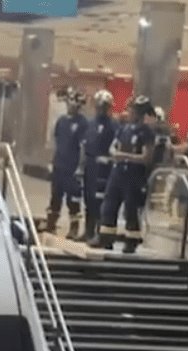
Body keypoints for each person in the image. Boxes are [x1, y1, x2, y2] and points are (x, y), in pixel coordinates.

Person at [95, 95, 157, 254]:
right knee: (109, 205)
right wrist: (115, 154)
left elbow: (146, 158)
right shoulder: (123, 128)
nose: (129, 112)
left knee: (130, 209)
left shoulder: (146, 132)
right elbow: (112, 147)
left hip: (134, 175)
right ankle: (106, 238)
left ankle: (131, 241)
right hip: (117, 173)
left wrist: (125, 156)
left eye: (132, 110)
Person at [47, 87, 88, 238]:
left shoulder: (83, 123)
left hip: (72, 168)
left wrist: (80, 167)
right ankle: (51, 224)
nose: (72, 106)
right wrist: (52, 161)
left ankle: (74, 227)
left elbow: (83, 147)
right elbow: (56, 142)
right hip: (59, 165)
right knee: (55, 197)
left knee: (73, 200)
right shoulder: (62, 121)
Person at [80, 89, 119, 242]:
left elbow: (117, 146)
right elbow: (85, 145)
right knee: (88, 199)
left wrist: (110, 159)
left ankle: (99, 232)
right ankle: (88, 231)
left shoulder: (114, 125)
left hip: (105, 168)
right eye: (99, 105)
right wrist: (81, 166)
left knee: (100, 200)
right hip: (90, 166)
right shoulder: (90, 124)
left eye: (104, 106)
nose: (101, 109)